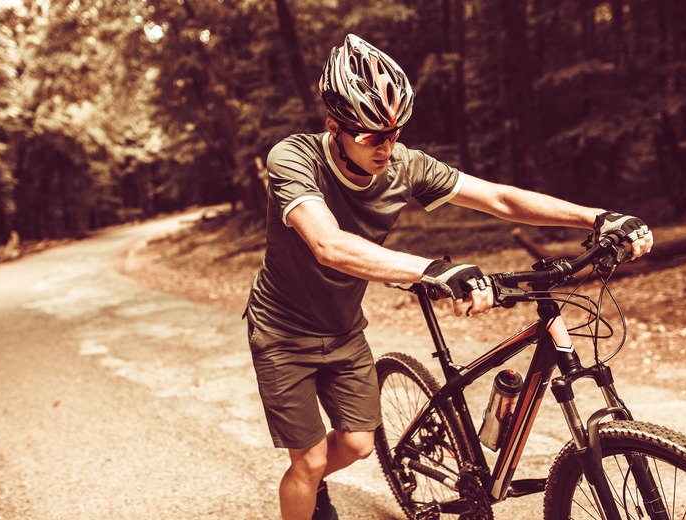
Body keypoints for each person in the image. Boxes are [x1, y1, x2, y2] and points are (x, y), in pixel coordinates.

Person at [244, 34, 653, 520]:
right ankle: (307, 487)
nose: (387, 147)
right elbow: (327, 245)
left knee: (356, 445)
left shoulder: (404, 164)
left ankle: (313, 481)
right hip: (282, 333)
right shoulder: (293, 158)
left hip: (343, 327)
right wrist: (433, 270)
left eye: (394, 133)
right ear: (335, 127)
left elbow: (500, 198)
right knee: (309, 460)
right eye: (373, 136)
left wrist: (596, 217)